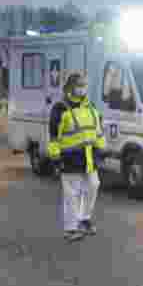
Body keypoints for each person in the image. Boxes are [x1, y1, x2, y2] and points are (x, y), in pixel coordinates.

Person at [47, 72, 106, 242]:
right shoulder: (60, 108)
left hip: (89, 158)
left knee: (94, 186)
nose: (83, 89)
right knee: (71, 195)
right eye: (79, 85)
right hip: (70, 158)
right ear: (70, 87)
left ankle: (84, 219)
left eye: (84, 85)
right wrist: (55, 157)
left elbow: (98, 130)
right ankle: (71, 228)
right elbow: (54, 136)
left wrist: (102, 149)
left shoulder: (90, 107)